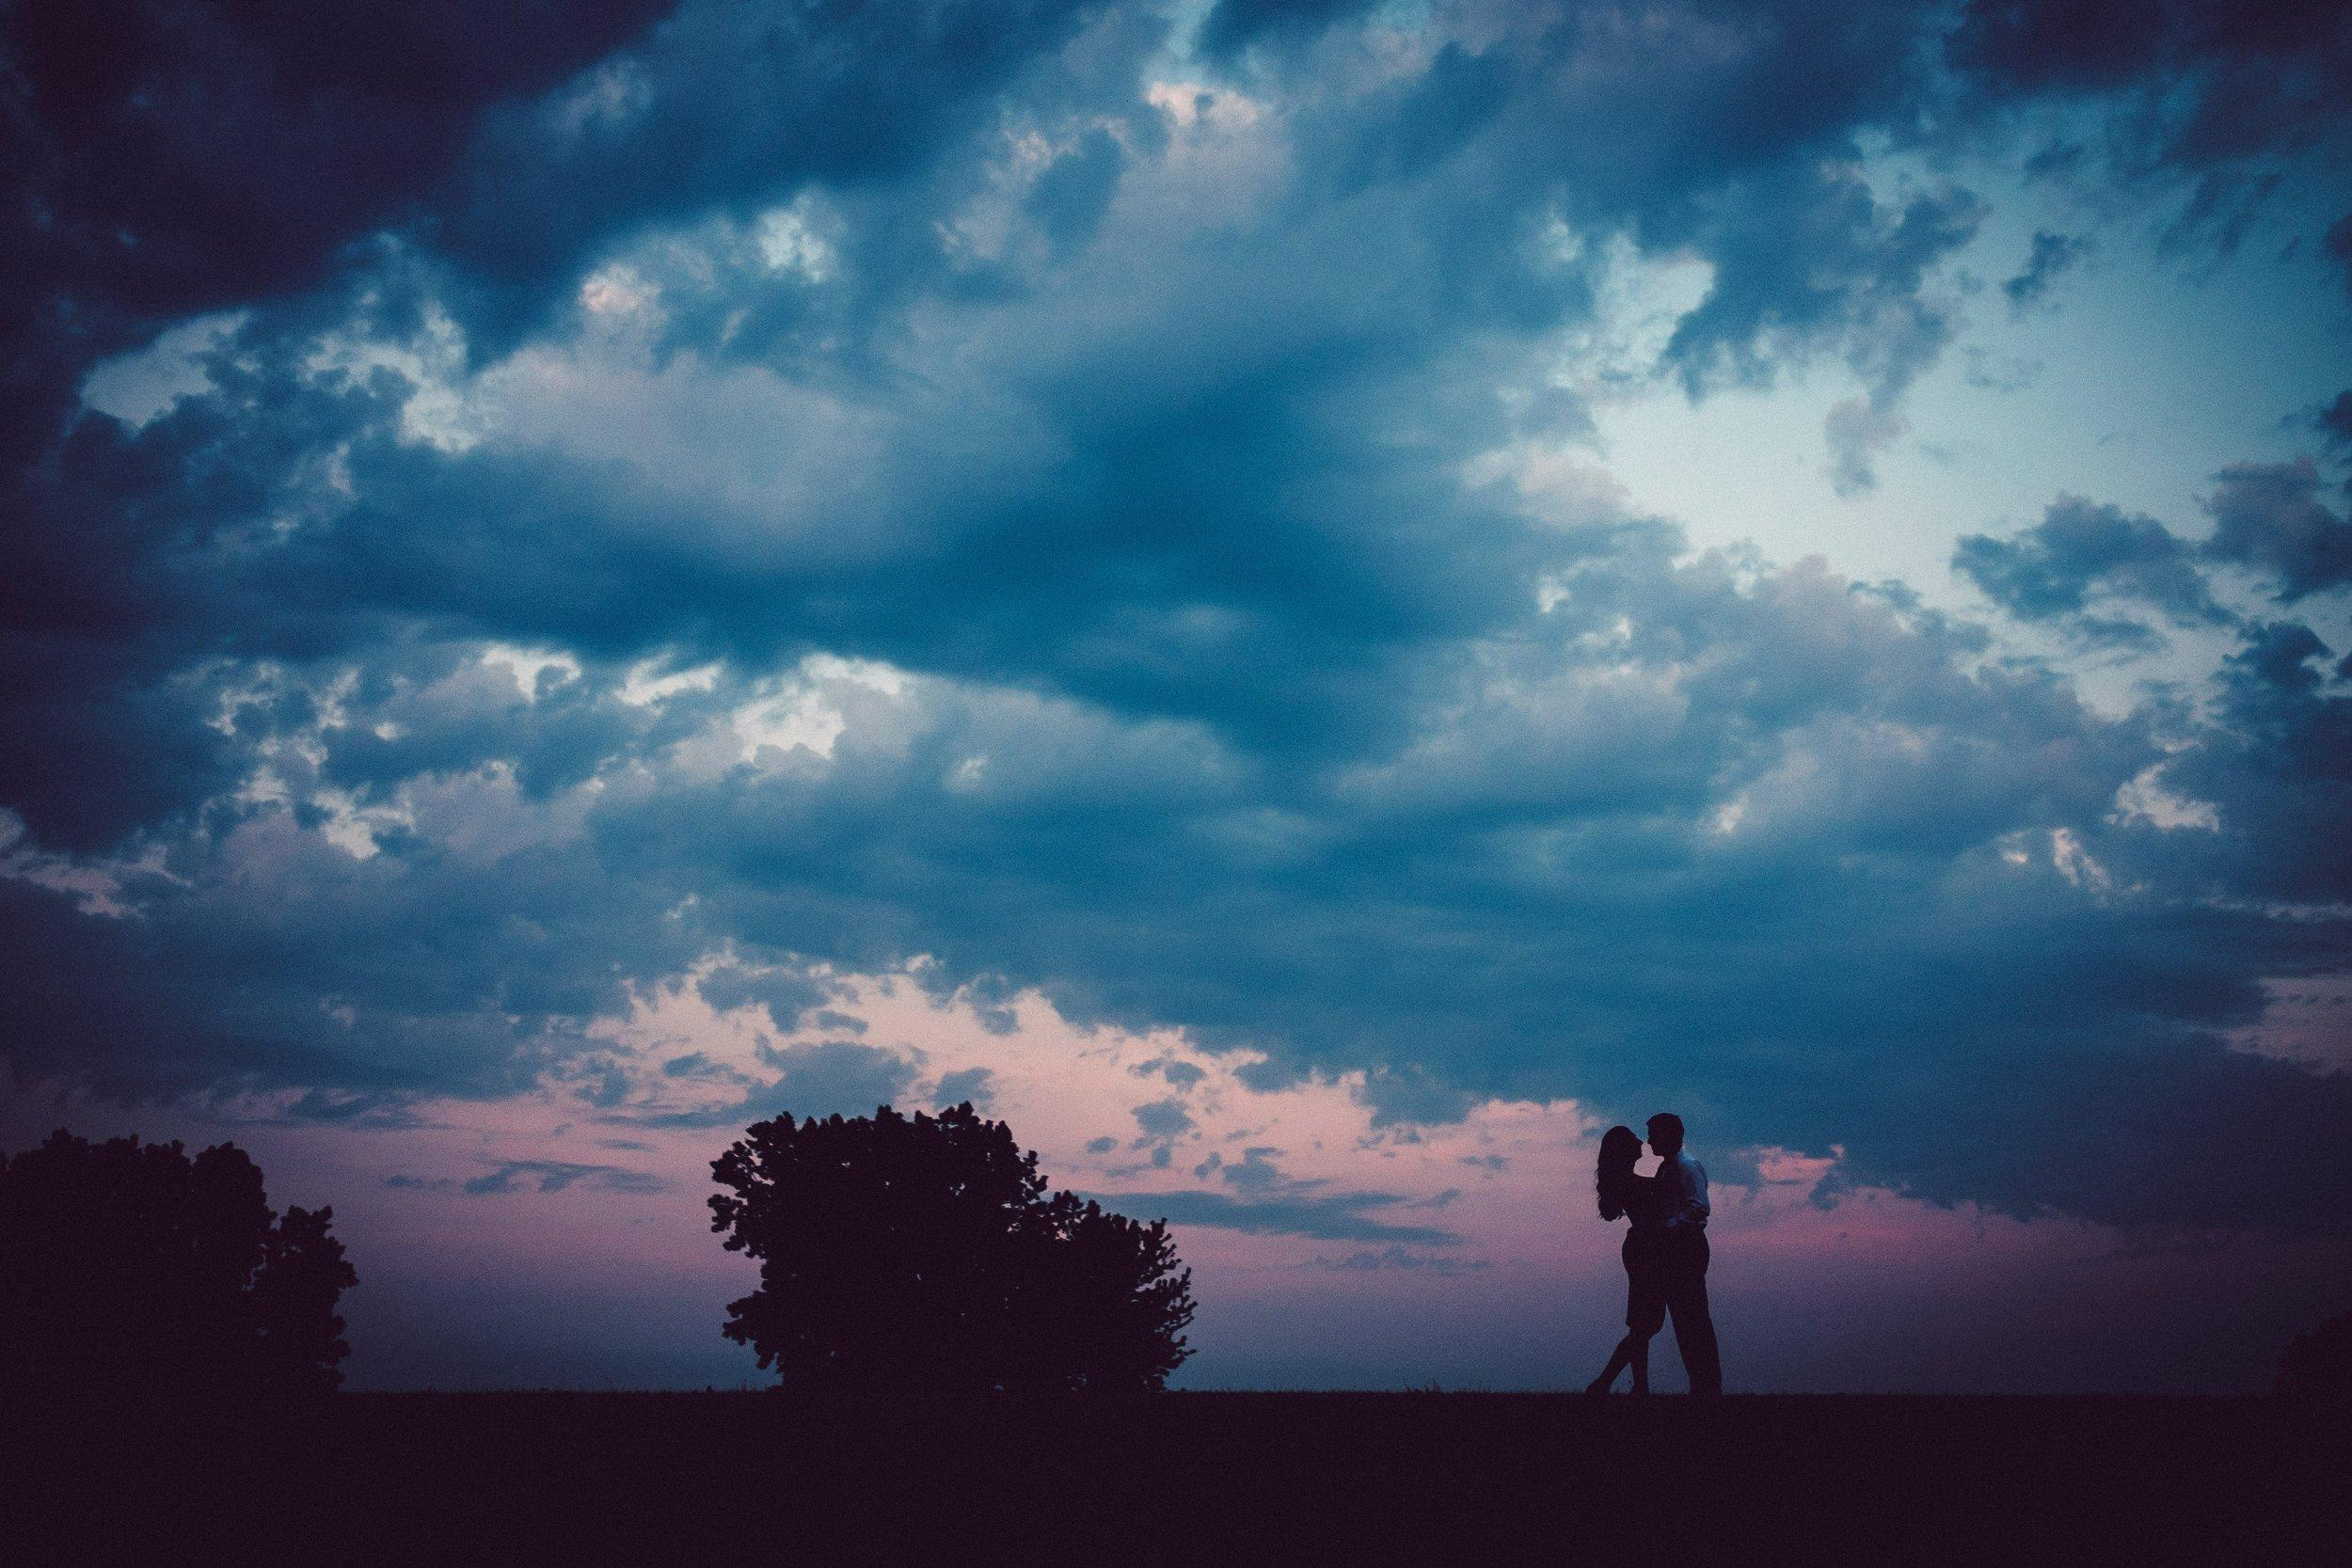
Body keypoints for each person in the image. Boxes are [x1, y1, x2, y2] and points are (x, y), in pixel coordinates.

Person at [1585, 1126, 1668, 1394]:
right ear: (1624, 1149)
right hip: (1645, 1249)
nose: (1641, 1142)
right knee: (1646, 1324)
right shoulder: (1630, 1181)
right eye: (1634, 1140)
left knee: (1642, 1324)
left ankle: (1638, 1386)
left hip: (1641, 1248)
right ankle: (1604, 1383)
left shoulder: (1626, 1180)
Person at [1645, 1112, 1722, 1396]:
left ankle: (1707, 1385)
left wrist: (1668, 1225)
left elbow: (1700, 1207)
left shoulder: (1686, 1166)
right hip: (1677, 1247)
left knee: (1694, 1317)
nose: (1650, 1140)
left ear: (1670, 1135)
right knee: (1684, 1317)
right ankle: (1701, 1385)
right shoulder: (1669, 1167)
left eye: (1654, 1134)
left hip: (1686, 1247)